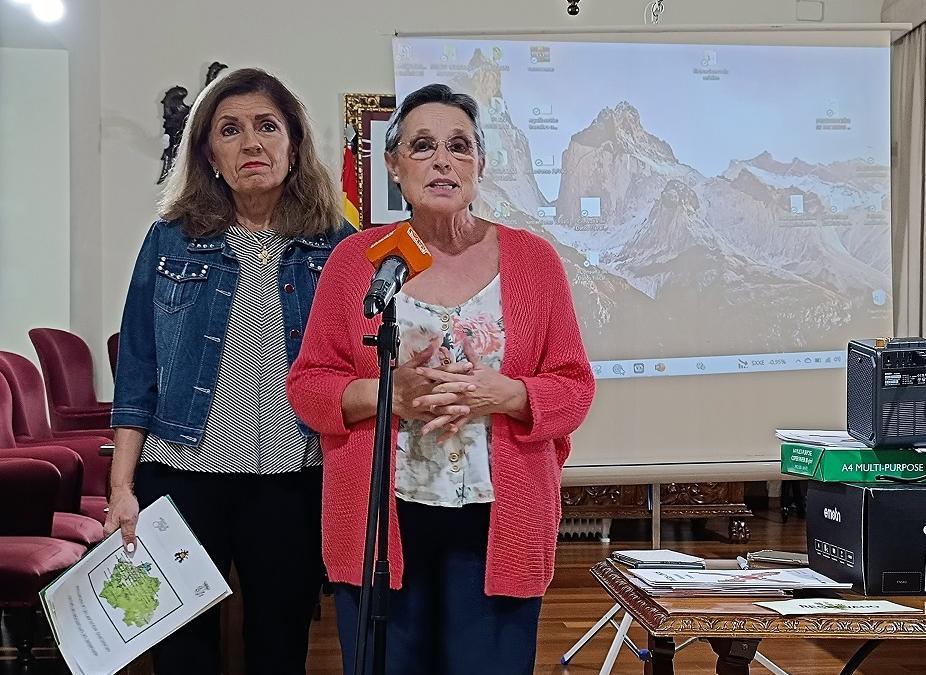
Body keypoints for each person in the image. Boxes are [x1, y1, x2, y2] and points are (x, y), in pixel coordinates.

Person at [286, 83, 595, 675]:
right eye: (423, 146)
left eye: (459, 146)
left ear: (480, 164)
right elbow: (309, 385)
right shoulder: (359, 260)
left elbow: (574, 385)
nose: (443, 160)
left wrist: (507, 393)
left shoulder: (533, 260)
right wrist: (389, 394)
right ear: (395, 167)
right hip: (382, 520)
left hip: (498, 517)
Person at [106, 67, 356, 674]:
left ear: (294, 144)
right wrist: (121, 486)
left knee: (280, 639)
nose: (252, 143)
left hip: (292, 478)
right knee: (180, 649)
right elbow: (136, 367)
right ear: (208, 154)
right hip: (182, 473)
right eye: (231, 130)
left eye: (268, 127)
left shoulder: (338, 244)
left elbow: (359, 367)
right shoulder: (169, 240)